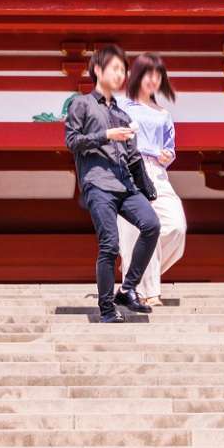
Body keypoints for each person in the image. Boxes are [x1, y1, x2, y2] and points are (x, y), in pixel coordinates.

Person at [65, 43, 161, 322]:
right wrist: (106, 135)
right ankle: (107, 309)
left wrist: (147, 189)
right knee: (110, 244)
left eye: (124, 70)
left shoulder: (122, 114)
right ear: (97, 70)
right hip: (98, 183)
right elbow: (72, 142)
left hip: (125, 185)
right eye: (115, 68)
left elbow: (133, 158)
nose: (121, 75)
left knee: (152, 225)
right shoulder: (80, 104)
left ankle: (127, 288)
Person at [116, 53, 187, 305]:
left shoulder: (164, 114)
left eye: (158, 75)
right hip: (130, 170)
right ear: (137, 76)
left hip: (157, 172)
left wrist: (168, 156)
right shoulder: (122, 106)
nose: (154, 80)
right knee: (137, 231)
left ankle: (136, 264)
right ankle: (149, 292)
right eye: (149, 74)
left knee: (176, 226)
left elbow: (170, 149)